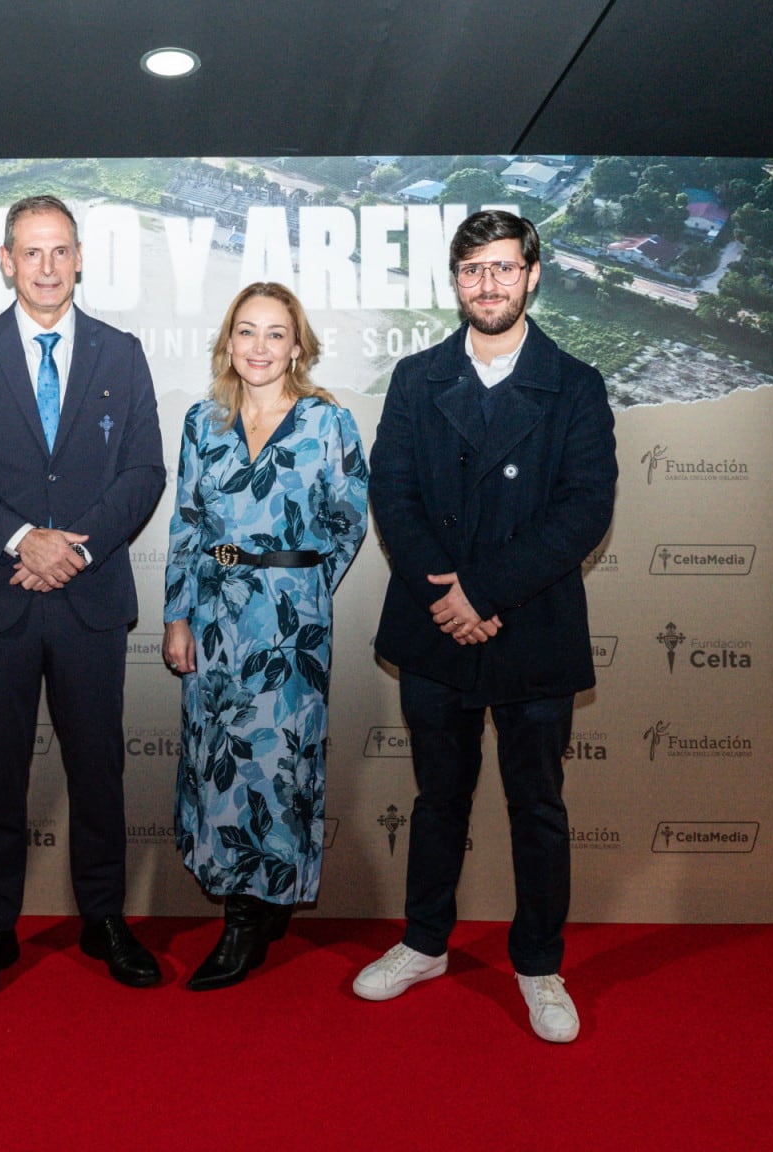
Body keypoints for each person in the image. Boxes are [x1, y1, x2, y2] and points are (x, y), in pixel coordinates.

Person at [355, 210, 616, 1044]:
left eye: (504, 269)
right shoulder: (416, 376)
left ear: (533, 274)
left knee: (537, 805)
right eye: (474, 271)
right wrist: (449, 593)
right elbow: (391, 492)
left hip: (530, 624)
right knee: (438, 801)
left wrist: (484, 591)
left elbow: (586, 510)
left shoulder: (574, 383)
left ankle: (540, 965)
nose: (489, 285)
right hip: (436, 625)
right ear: (456, 279)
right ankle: (425, 942)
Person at [0, 194, 167, 1003]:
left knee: (98, 767)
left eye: (61, 251)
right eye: (32, 252)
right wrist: (23, 539)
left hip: (90, 598)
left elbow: (143, 473)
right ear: (6, 260)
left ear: (80, 258)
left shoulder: (121, 353)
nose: (49, 267)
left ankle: (104, 919)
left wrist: (76, 549)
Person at [162, 283, 368, 990]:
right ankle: (250, 902)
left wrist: (298, 587)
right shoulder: (201, 423)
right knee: (221, 762)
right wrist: (177, 615)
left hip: (289, 629)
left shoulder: (326, 424)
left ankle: (251, 915)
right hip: (214, 619)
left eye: (275, 334)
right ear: (227, 344)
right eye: (245, 332)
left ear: (298, 347)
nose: (258, 347)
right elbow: (187, 524)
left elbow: (349, 524)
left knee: (278, 766)